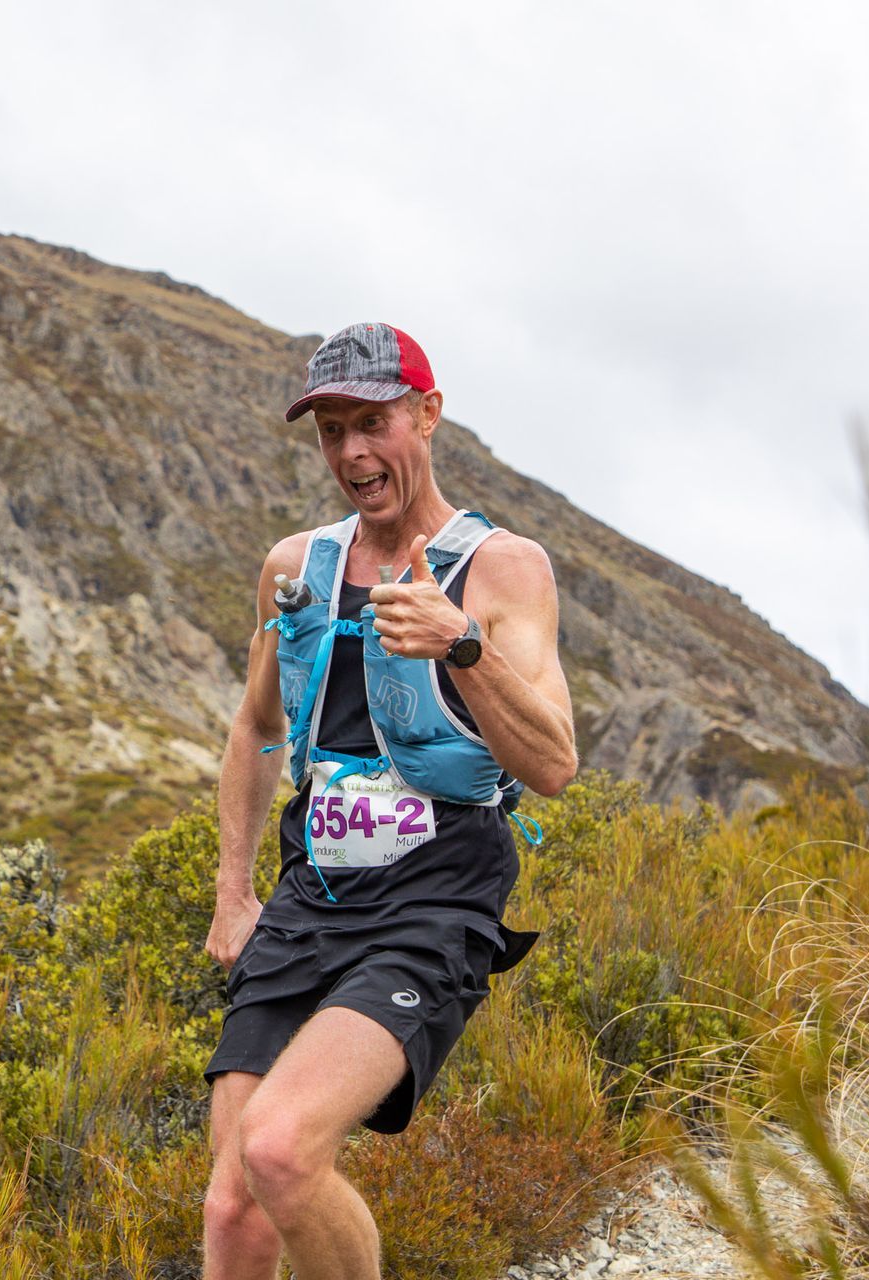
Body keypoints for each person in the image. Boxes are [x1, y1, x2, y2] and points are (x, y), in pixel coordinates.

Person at [200, 321, 579, 1278]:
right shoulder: (297, 571)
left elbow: (554, 762)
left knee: (281, 1149)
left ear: (428, 413)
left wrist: (463, 646)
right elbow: (256, 729)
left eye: (374, 423)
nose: (353, 453)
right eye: (332, 431)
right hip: (311, 892)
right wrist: (233, 892)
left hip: (435, 895)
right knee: (232, 1202)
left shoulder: (503, 570)